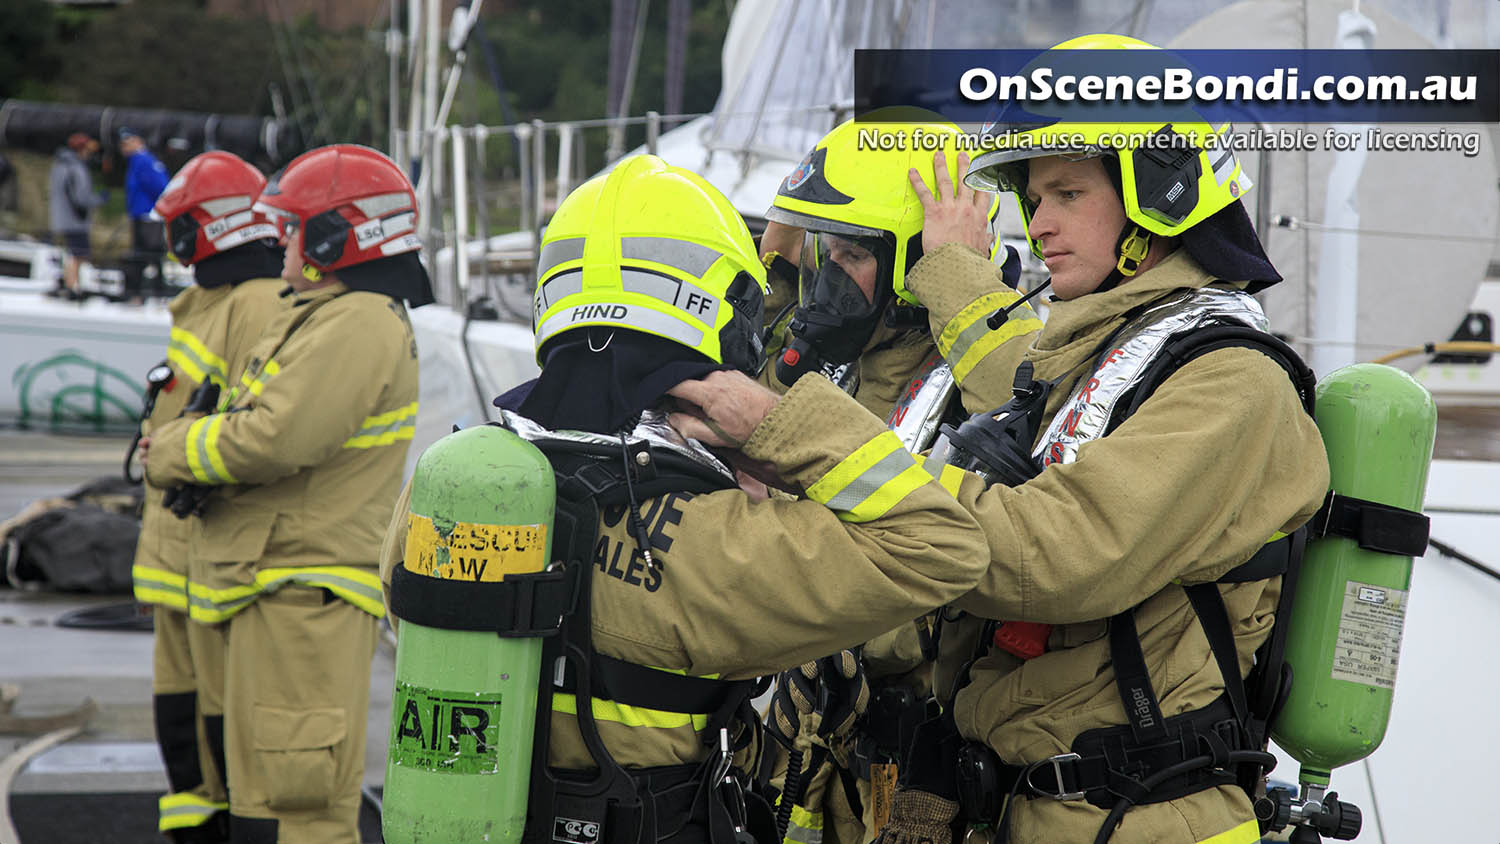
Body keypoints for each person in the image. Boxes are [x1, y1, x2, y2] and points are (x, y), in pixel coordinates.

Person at [670, 34, 1332, 844]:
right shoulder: (1109, 356)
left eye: (1066, 193)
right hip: (1036, 805)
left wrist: (804, 449)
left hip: (1138, 817)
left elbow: (1054, 555)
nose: (1038, 222)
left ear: (1162, 192)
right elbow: (1029, 388)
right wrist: (915, 270)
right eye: (1033, 197)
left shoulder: (1232, 384)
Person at [378, 154, 991, 844]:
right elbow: (944, 546)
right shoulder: (719, 541)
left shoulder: (443, 489)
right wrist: (780, 427)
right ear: (725, 312)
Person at [754, 113, 1041, 844]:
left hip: (917, 770)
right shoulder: (841, 363)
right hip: (811, 743)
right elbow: (747, 399)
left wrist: (957, 277)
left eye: (854, 254)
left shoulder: (988, 365)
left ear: (917, 266)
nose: (830, 279)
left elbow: (1037, 417)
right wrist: (779, 260)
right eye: (829, 250)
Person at [140, 144, 433, 844]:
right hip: (280, 589)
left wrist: (173, 450)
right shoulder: (329, 313)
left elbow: (275, 438)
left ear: (337, 238)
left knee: (297, 810)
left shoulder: (359, 320)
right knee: (263, 807)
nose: (281, 245)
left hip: (305, 595)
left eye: (295, 229)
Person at [129, 150, 290, 843]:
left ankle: (220, 824)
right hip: (172, 550)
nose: (173, 240)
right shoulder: (209, 302)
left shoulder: (252, 304)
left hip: (206, 551)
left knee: (220, 711)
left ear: (214, 227)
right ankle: (193, 823)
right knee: (179, 710)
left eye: (182, 225)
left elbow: (253, 426)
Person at [48, 132, 105, 298]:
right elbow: (81, 198)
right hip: (75, 218)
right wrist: (99, 199)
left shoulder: (60, 164)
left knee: (74, 252)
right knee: (79, 253)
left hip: (63, 218)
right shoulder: (76, 168)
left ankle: (71, 284)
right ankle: (72, 287)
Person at [120, 127, 171, 298]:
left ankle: (154, 291)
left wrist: (156, 209)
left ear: (138, 142)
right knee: (141, 254)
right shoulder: (135, 161)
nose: (124, 147)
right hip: (139, 214)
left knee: (151, 254)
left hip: (149, 217)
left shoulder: (145, 161)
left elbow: (160, 187)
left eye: (127, 143)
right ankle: (138, 291)